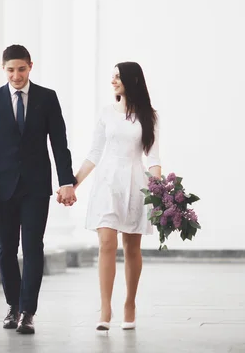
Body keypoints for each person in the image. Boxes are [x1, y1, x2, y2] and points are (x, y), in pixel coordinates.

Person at [0, 44, 77, 334]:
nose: (16, 75)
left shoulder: (47, 98)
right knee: (6, 249)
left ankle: (28, 312)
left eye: (21, 69)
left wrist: (65, 181)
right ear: (3, 69)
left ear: (31, 66)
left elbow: (59, 142)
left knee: (33, 248)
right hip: (2, 186)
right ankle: (13, 307)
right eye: (10, 70)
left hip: (35, 186)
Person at [67, 61, 161, 331]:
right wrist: (73, 184)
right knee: (106, 243)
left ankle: (129, 303)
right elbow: (94, 153)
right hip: (107, 184)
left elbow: (153, 158)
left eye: (118, 77)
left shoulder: (149, 116)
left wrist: (162, 190)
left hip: (135, 183)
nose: (113, 81)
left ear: (132, 80)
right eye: (112, 76)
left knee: (132, 247)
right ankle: (105, 308)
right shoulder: (107, 113)